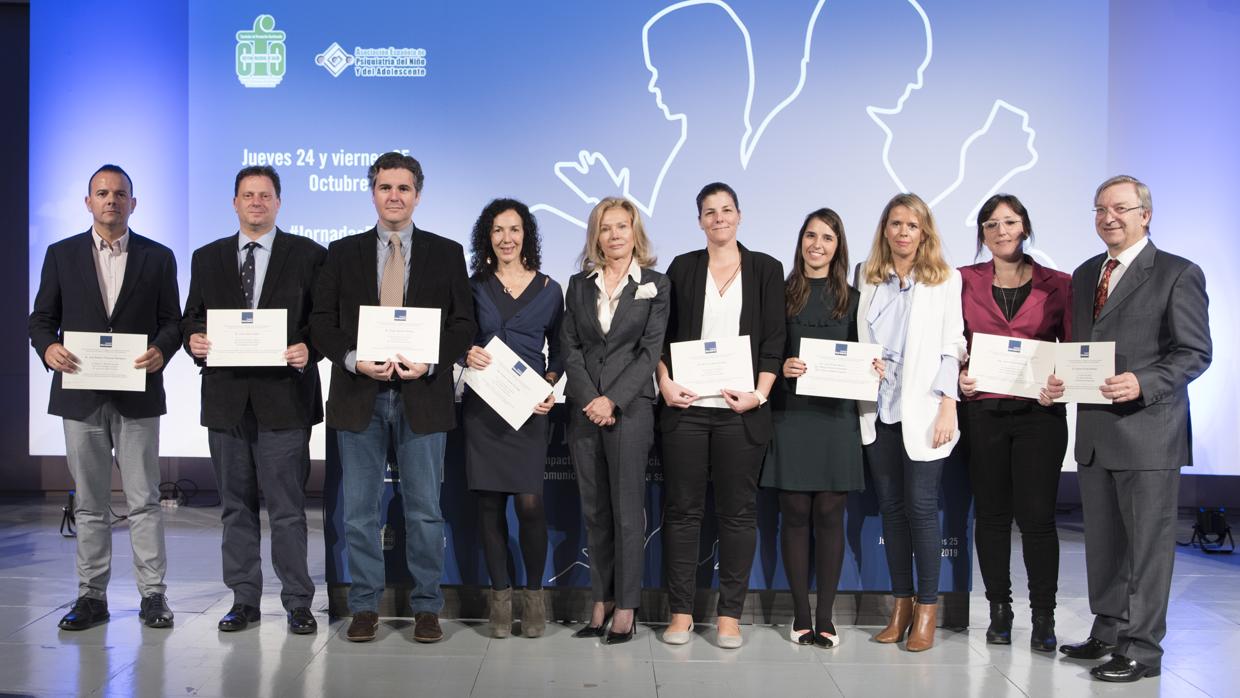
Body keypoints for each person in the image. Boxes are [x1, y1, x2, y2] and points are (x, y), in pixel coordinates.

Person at [309, 152, 476, 643]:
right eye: (386, 188)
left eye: (404, 188)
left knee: (425, 510)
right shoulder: (341, 253)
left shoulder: (447, 253)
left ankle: (427, 607)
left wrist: (432, 361)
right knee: (360, 512)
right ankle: (364, 607)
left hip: (422, 395)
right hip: (359, 395)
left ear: (417, 194)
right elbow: (322, 322)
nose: (395, 196)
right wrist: (352, 357)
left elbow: (463, 324)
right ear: (373, 192)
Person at [1049, 175, 1210, 682]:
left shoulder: (1178, 273)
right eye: (1099, 209)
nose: (1108, 217)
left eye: (1119, 207)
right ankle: (1109, 630)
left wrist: (1143, 381)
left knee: (1146, 549)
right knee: (1104, 543)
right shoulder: (1084, 274)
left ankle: (1142, 650)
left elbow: (1194, 353)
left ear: (1145, 214)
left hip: (1148, 433)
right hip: (1095, 432)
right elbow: (1081, 349)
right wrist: (1058, 380)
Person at [29, 164, 181, 630]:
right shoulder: (61, 254)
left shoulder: (158, 256)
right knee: (91, 503)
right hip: (81, 395)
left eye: (120, 194)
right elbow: (40, 319)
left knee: (144, 500)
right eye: (102, 193)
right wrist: (48, 347)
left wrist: (162, 350)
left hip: (137, 393)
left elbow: (172, 321)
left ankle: (153, 596)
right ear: (88, 202)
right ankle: (91, 597)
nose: (111, 200)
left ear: (133, 203)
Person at [181, 165, 326, 634]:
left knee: (287, 509)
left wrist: (311, 348)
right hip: (226, 402)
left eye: (265, 195)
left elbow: (323, 321)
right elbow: (191, 319)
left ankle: (297, 601)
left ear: (278, 202)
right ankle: (244, 599)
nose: (257, 202)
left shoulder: (309, 255)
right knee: (235, 506)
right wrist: (194, 340)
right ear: (235, 202)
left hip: (284, 401)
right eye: (248, 195)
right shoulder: (206, 258)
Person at [657, 182, 784, 649]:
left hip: (741, 412)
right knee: (684, 513)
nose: (719, 218)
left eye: (726, 210)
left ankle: (730, 615)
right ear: (699, 221)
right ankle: (681, 613)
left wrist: (761, 393)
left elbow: (774, 340)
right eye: (709, 212)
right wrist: (664, 382)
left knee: (736, 514)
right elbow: (661, 334)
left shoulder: (767, 269)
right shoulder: (682, 268)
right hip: (687, 410)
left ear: (739, 215)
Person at [957, 194, 1071, 651]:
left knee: (1038, 519)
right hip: (982, 411)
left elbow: (1072, 349)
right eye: (990, 224)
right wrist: (958, 377)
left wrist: (1063, 381)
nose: (1001, 230)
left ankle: (1043, 617)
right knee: (991, 515)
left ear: (1024, 227)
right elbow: (950, 343)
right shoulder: (961, 280)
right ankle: (999, 611)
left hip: (1039, 415)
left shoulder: (1059, 283)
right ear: (982, 234)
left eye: (1009, 221)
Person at [856, 193, 966, 652]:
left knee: (922, 510)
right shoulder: (868, 276)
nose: (903, 232)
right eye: (895, 223)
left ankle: (926, 610)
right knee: (892, 510)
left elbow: (952, 344)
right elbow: (859, 337)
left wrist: (948, 404)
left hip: (924, 410)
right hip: (877, 408)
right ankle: (899, 607)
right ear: (885, 229)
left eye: (912, 225)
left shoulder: (945, 279)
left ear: (925, 233)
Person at [562, 197, 669, 645]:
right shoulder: (578, 284)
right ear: (596, 235)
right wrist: (591, 398)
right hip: (585, 411)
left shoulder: (656, 285)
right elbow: (569, 348)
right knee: (595, 511)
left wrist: (613, 400)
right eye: (606, 228)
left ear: (635, 232)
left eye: (622, 226)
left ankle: (626, 606)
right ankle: (600, 600)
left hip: (631, 410)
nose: (614, 235)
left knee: (627, 513)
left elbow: (650, 353)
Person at [761, 208, 865, 648]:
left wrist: (872, 366)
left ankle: (827, 616)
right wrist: (782, 365)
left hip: (837, 419)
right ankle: (800, 615)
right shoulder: (779, 294)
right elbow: (765, 353)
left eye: (827, 237)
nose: (817, 245)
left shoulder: (854, 298)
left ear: (838, 246)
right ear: (800, 240)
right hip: (791, 416)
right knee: (796, 515)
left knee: (829, 515)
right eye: (810, 236)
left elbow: (864, 355)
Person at [462, 198, 563, 639]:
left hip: (528, 408)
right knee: (488, 506)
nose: (507, 238)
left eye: (515, 230)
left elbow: (560, 351)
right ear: (488, 236)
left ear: (527, 236)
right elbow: (458, 336)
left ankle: (534, 598)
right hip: (484, 407)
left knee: (529, 504)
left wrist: (550, 384)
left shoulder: (550, 288)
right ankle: (500, 601)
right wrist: (465, 351)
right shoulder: (473, 286)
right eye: (498, 230)